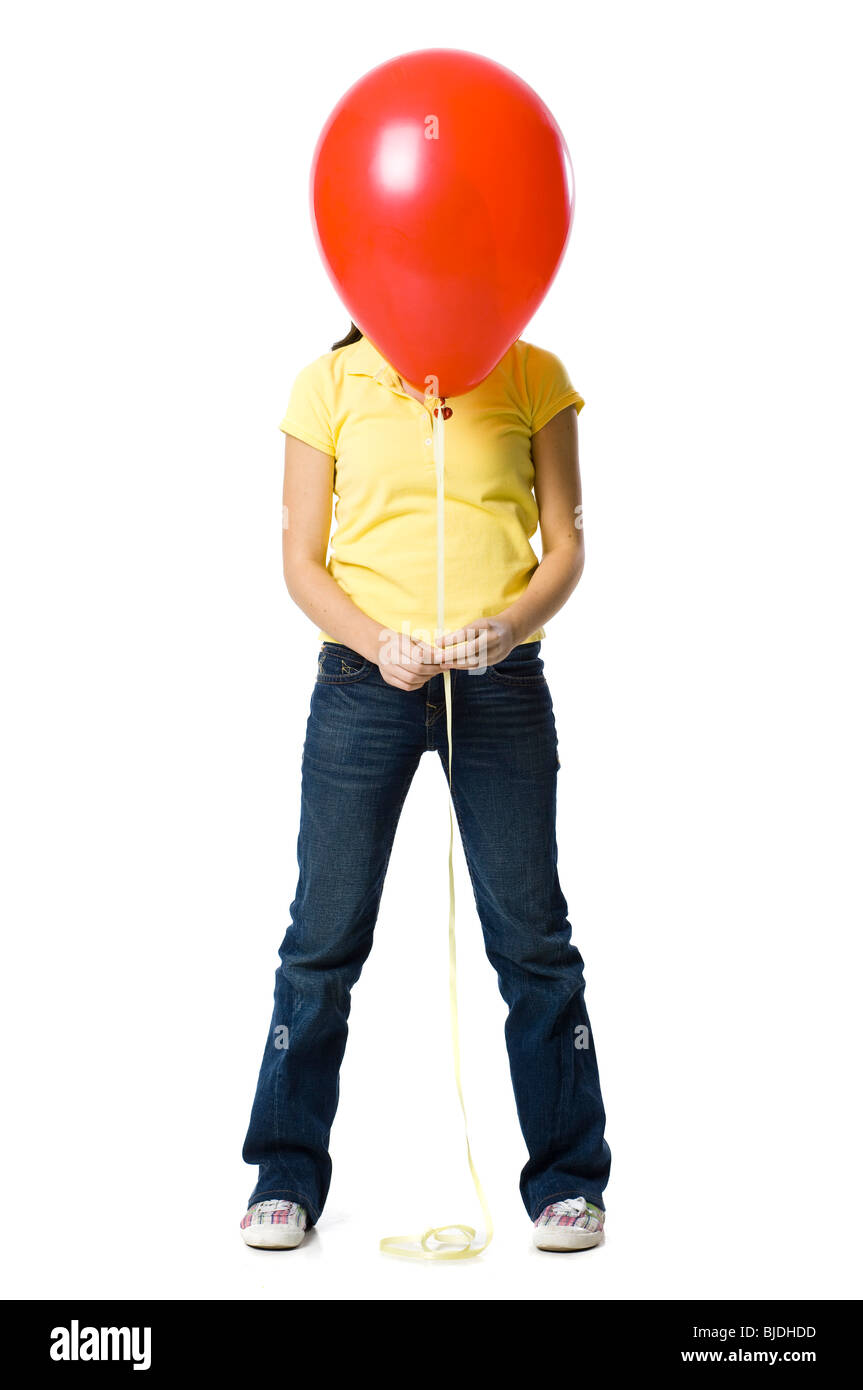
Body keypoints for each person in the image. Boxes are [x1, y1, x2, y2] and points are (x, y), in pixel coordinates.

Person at [240, 323, 612, 1253]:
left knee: (533, 936)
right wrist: (379, 644)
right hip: (363, 686)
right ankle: (283, 1176)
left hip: (502, 682)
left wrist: (508, 626)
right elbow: (301, 560)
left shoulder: (534, 374)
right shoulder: (328, 384)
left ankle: (570, 1183)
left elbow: (565, 545)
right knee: (321, 937)